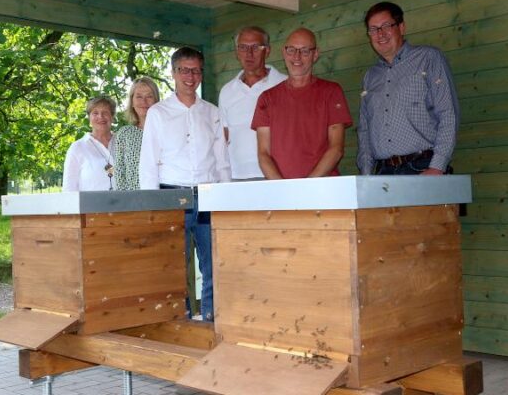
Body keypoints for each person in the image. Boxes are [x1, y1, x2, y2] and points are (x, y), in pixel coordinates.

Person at [139, 46, 230, 321]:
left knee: (213, 261)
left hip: (208, 194)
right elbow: (148, 161)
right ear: (173, 73)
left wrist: (227, 200)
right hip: (171, 195)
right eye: (184, 70)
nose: (190, 76)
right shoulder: (158, 113)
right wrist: (151, 205)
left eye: (196, 70)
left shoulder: (213, 112)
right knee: (174, 263)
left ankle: (212, 318)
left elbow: (222, 160)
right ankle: (180, 319)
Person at [356, 1, 459, 176]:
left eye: (386, 26)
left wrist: (437, 167)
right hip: (383, 174)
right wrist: (366, 174)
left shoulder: (428, 58)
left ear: (402, 27)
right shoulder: (370, 76)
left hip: (423, 168)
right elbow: (365, 129)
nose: (380, 34)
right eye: (373, 29)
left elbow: (448, 113)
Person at [251, 28, 353, 179]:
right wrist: (283, 189)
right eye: (291, 50)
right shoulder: (267, 98)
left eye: (305, 51)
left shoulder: (331, 92)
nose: (297, 57)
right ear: (284, 52)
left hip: (322, 189)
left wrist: (306, 188)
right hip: (283, 194)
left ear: (315, 54)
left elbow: (336, 148)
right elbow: (263, 154)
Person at [219, 26, 286, 181]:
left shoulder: (284, 85)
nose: (248, 54)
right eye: (243, 47)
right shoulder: (227, 91)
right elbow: (224, 137)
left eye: (255, 47)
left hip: (276, 176)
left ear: (267, 51)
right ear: (237, 52)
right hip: (236, 176)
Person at [113, 77, 160, 190]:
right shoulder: (124, 134)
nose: (144, 102)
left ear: (156, 100)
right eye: (139, 96)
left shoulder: (167, 131)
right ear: (132, 101)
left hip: (164, 200)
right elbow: (120, 173)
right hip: (133, 202)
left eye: (149, 96)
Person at [62, 96, 117, 192]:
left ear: (112, 117)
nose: (100, 116)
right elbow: (69, 189)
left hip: (125, 206)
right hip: (91, 206)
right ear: (89, 118)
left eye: (105, 112)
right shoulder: (77, 148)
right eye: (95, 113)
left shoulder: (123, 143)